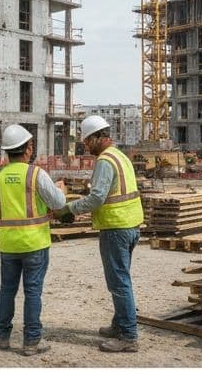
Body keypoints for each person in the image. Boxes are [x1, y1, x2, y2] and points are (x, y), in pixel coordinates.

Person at [58, 115, 143, 353]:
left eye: (87, 140)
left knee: (119, 282)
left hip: (116, 227)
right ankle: (119, 325)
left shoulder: (105, 160)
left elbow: (97, 197)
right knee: (121, 278)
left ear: (97, 137)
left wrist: (69, 208)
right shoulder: (121, 156)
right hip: (131, 225)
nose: (85, 145)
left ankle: (128, 336)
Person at [0, 124, 67, 356]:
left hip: (8, 244)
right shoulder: (36, 174)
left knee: (7, 290)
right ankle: (31, 341)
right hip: (35, 243)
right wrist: (58, 190)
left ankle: (2, 337)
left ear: (7, 151)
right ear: (27, 149)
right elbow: (59, 203)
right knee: (32, 292)